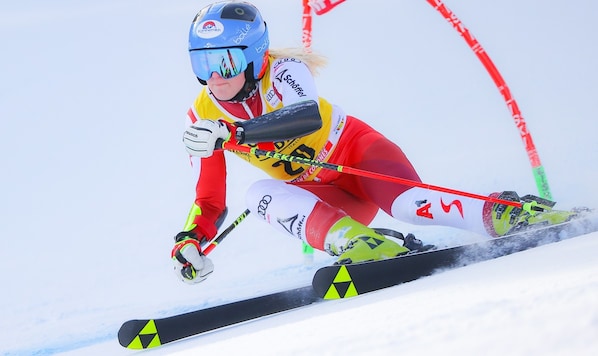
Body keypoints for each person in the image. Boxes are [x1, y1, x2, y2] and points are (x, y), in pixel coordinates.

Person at [172, 1, 573, 283]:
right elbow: (210, 199)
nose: (214, 78)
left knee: (413, 205)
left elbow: (305, 115)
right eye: (201, 64)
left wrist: (237, 134)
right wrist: (190, 240)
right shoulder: (203, 116)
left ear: (255, 56)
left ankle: (506, 213)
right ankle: (361, 243)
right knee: (257, 194)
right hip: (324, 192)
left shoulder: (285, 70)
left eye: (224, 62)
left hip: (358, 157)